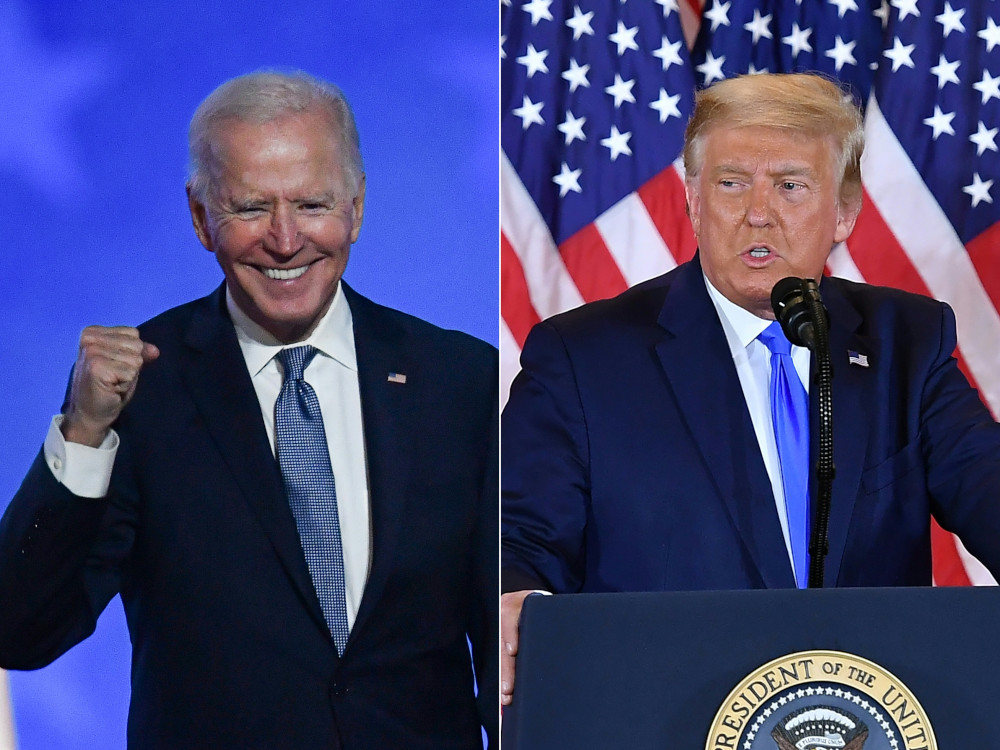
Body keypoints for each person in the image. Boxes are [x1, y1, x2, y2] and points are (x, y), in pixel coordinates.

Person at [0, 70, 497, 749]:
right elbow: (18, 629)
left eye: (313, 204)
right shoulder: (141, 393)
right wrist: (84, 434)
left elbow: (503, 648)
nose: (286, 240)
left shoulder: (460, 382)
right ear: (201, 217)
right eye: (251, 208)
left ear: (357, 205)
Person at [500, 73, 1000, 705]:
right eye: (731, 183)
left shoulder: (905, 341)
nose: (757, 212)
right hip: (662, 714)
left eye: (790, 186)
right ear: (693, 199)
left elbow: (987, 485)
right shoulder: (582, 357)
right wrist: (513, 592)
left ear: (844, 212)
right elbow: (518, 537)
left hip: (864, 720)